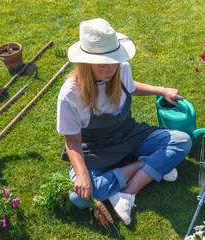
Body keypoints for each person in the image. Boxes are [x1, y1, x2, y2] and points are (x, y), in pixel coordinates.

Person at [57, 18, 192, 225]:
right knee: (79, 197)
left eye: (115, 62)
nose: (111, 71)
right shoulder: (70, 94)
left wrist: (160, 90)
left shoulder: (121, 70)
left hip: (129, 135)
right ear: (86, 63)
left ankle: (127, 194)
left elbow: (129, 86)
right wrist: (83, 175)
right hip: (95, 149)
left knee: (182, 141)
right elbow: (73, 141)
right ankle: (144, 164)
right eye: (103, 65)